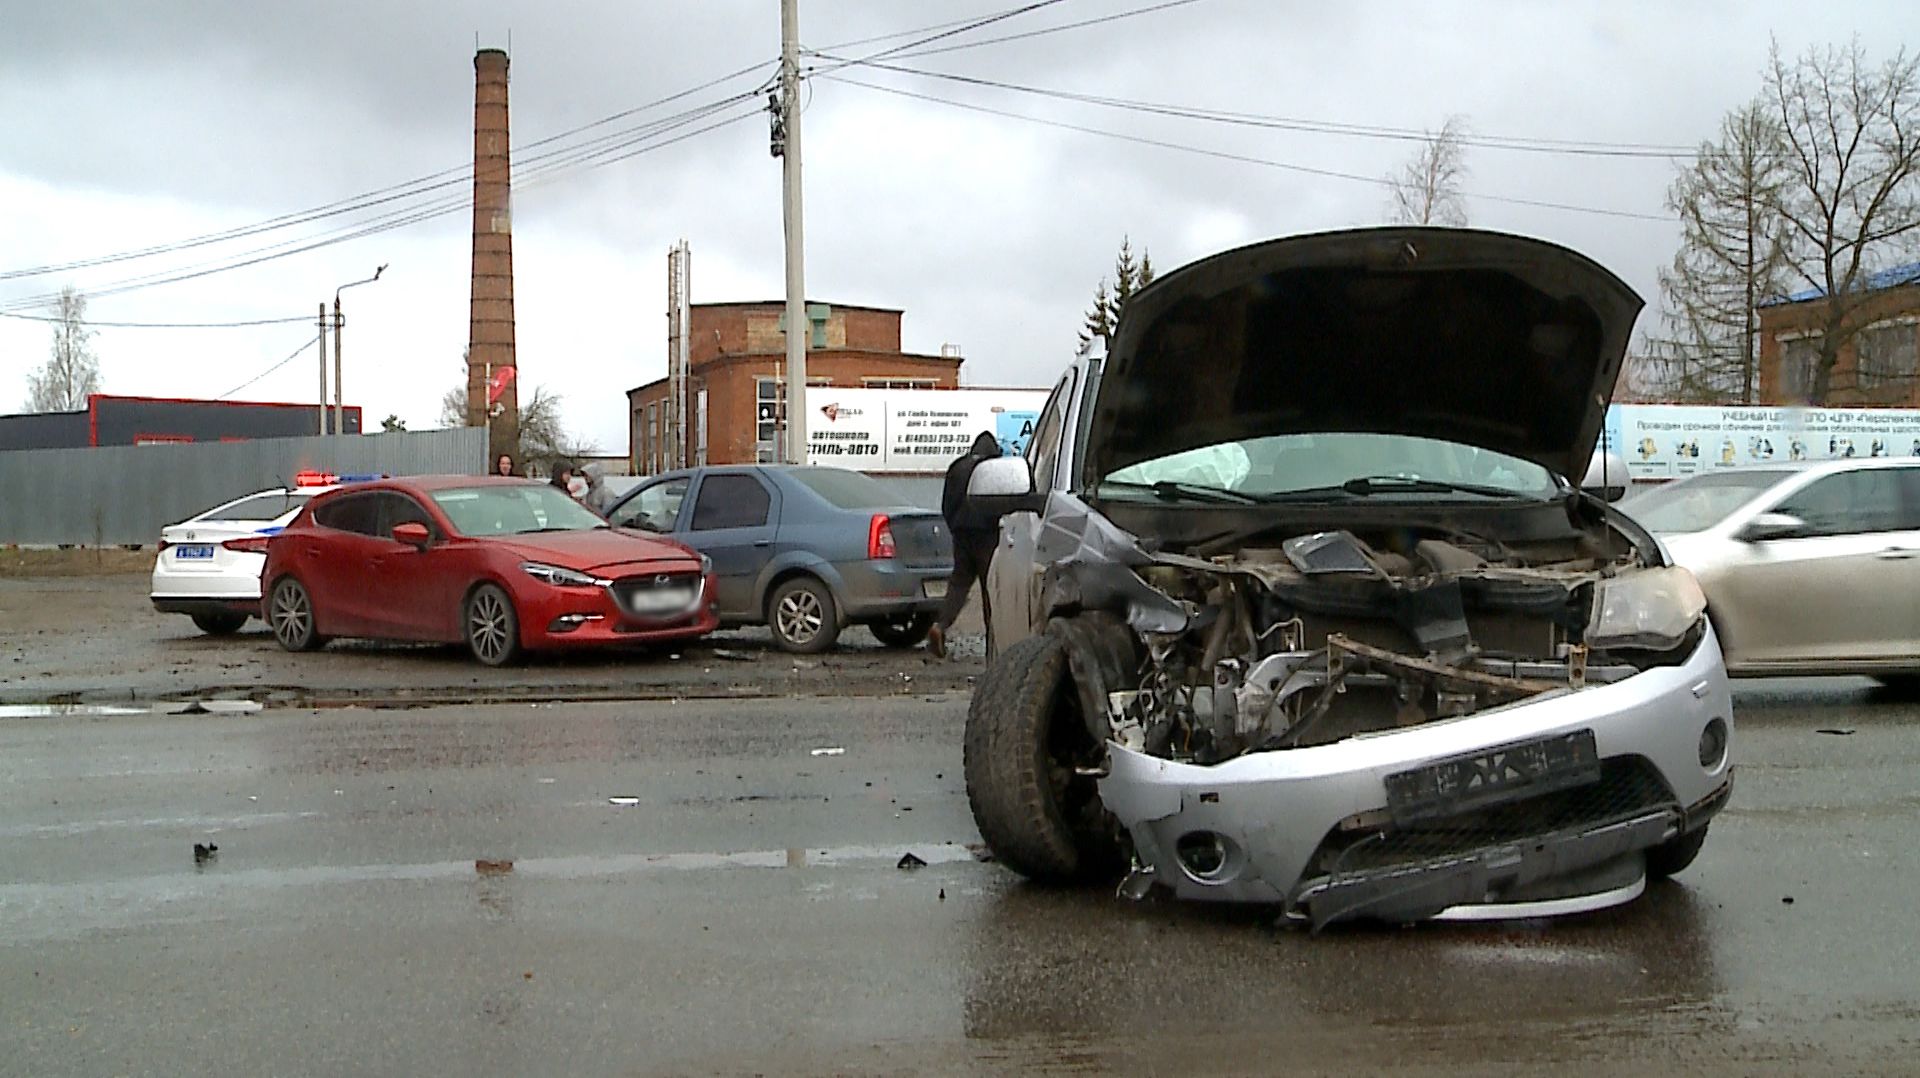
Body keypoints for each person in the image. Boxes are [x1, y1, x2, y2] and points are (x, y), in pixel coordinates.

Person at [928, 431, 1005, 659]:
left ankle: (940, 625)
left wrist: (955, 528)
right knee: (990, 589)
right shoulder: (993, 469)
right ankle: (994, 645)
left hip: (961, 535)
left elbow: (946, 504)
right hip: (988, 536)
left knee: (959, 584)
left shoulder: (957, 467)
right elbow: (1002, 503)